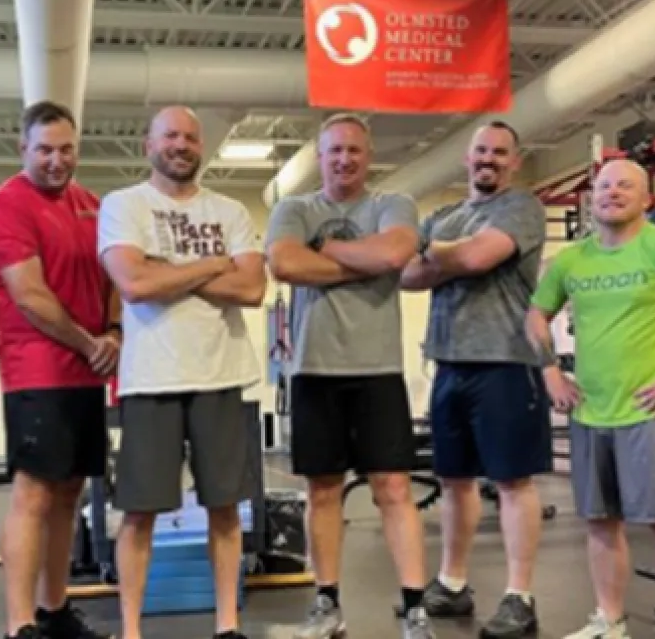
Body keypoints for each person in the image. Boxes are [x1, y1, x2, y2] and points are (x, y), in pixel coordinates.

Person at [526, 158, 655, 639]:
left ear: (646, 198)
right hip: (590, 410)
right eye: (603, 186)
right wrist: (550, 371)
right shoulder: (574, 259)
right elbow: (536, 316)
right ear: (591, 198)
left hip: (648, 410)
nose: (611, 193)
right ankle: (609, 620)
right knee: (600, 522)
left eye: (625, 186)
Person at [98, 105, 264, 639]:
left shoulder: (231, 211)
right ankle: (130, 630)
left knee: (224, 508)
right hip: (151, 379)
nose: (181, 145)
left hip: (220, 375)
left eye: (191, 137)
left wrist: (165, 270)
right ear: (149, 145)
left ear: (201, 148)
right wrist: (215, 263)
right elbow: (134, 285)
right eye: (170, 135)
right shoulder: (123, 205)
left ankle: (227, 625)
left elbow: (252, 289)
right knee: (139, 514)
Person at [265, 113, 432, 639]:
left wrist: (329, 251)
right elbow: (286, 266)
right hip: (315, 368)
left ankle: (415, 608)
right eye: (334, 150)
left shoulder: (392, 204)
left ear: (368, 153)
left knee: (394, 488)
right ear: (320, 154)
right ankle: (327, 604)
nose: (344, 159)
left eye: (354, 150)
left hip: (377, 369)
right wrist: (367, 261)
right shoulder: (294, 208)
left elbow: (396, 252)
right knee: (322, 490)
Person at [0, 101, 120, 639]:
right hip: (37, 370)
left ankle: (54, 610)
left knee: (70, 491)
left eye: (66, 149)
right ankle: (20, 624)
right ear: (23, 149)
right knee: (34, 492)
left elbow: (114, 281)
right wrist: (89, 341)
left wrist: (115, 335)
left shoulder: (92, 205)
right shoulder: (5, 207)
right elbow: (31, 297)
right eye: (44, 150)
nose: (56, 161)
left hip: (86, 370)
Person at [400, 121, 550, 638]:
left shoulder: (521, 208)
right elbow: (405, 276)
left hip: (506, 361)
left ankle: (519, 596)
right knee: (453, 480)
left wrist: (437, 255)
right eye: (481, 151)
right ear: (468, 159)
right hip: (448, 361)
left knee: (511, 481)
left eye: (499, 152)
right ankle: (453, 582)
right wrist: (447, 257)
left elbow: (475, 256)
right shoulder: (445, 215)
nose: (489, 159)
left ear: (514, 160)